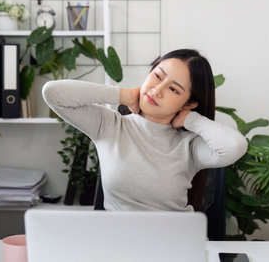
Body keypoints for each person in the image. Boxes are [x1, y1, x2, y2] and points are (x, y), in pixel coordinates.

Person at [42, 49, 247, 211]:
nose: (157, 91)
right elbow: (53, 93)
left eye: (173, 89)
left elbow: (234, 146)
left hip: (174, 248)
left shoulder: (190, 145)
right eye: (158, 76)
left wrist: (190, 119)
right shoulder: (109, 125)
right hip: (119, 248)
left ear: (189, 103)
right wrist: (122, 95)